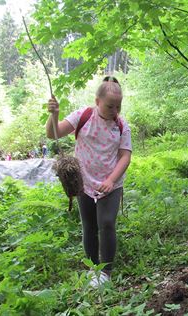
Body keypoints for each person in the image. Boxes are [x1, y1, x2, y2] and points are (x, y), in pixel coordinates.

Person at [46, 76, 132, 286]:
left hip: (111, 183)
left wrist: (112, 180)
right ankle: (93, 268)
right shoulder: (83, 116)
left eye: (118, 106)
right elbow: (52, 133)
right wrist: (53, 115)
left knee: (107, 223)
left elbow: (125, 156)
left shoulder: (121, 125)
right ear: (97, 101)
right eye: (110, 106)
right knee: (89, 225)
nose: (115, 110)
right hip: (84, 182)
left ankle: (106, 272)